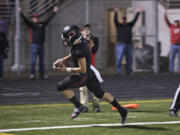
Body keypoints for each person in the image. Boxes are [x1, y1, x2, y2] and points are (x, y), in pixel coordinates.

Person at [53, 25, 128, 124]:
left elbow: (82, 69)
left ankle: (79, 106)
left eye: (66, 39)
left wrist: (65, 69)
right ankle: (122, 110)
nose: (65, 41)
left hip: (83, 75)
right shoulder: (78, 41)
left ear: (72, 36)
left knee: (61, 86)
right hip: (89, 73)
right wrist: (62, 60)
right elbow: (73, 54)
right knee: (100, 93)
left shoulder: (79, 47)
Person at [19, 6, 59, 79]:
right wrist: (21, 13)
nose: (36, 18)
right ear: (32, 18)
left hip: (41, 44)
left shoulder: (42, 24)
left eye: (37, 17)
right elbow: (25, 21)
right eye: (34, 17)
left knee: (41, 61)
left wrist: (54, 12)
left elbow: (49, 19)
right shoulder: (31, 24)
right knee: (33, 61)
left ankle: (42, 74)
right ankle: (32, 74)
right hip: (34, 44)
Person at [114, 7, 141, 76]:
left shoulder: (129, 25)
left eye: (125, 19)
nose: (124, 20)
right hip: (120, 44)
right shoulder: (119, 25)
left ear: (126, 20)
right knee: (119, 58)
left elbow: (134, 20)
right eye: (123, 19)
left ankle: (128, 71)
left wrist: (138, 13)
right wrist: (116, 12)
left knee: (129, 58)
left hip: (128, 44)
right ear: (121, 20)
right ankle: (118, 71)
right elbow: (115, 20)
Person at [79, 24, 100, 113]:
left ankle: (96, 105)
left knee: (94, 88)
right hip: (82, 67)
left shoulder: (94, 40)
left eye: (88, 29)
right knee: (83, 88)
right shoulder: (79, 41)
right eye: (84, 30)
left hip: (92, 67)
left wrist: (90, 40)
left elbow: (94, 50)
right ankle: (84, 106)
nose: (86, 31)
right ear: (81, 32)